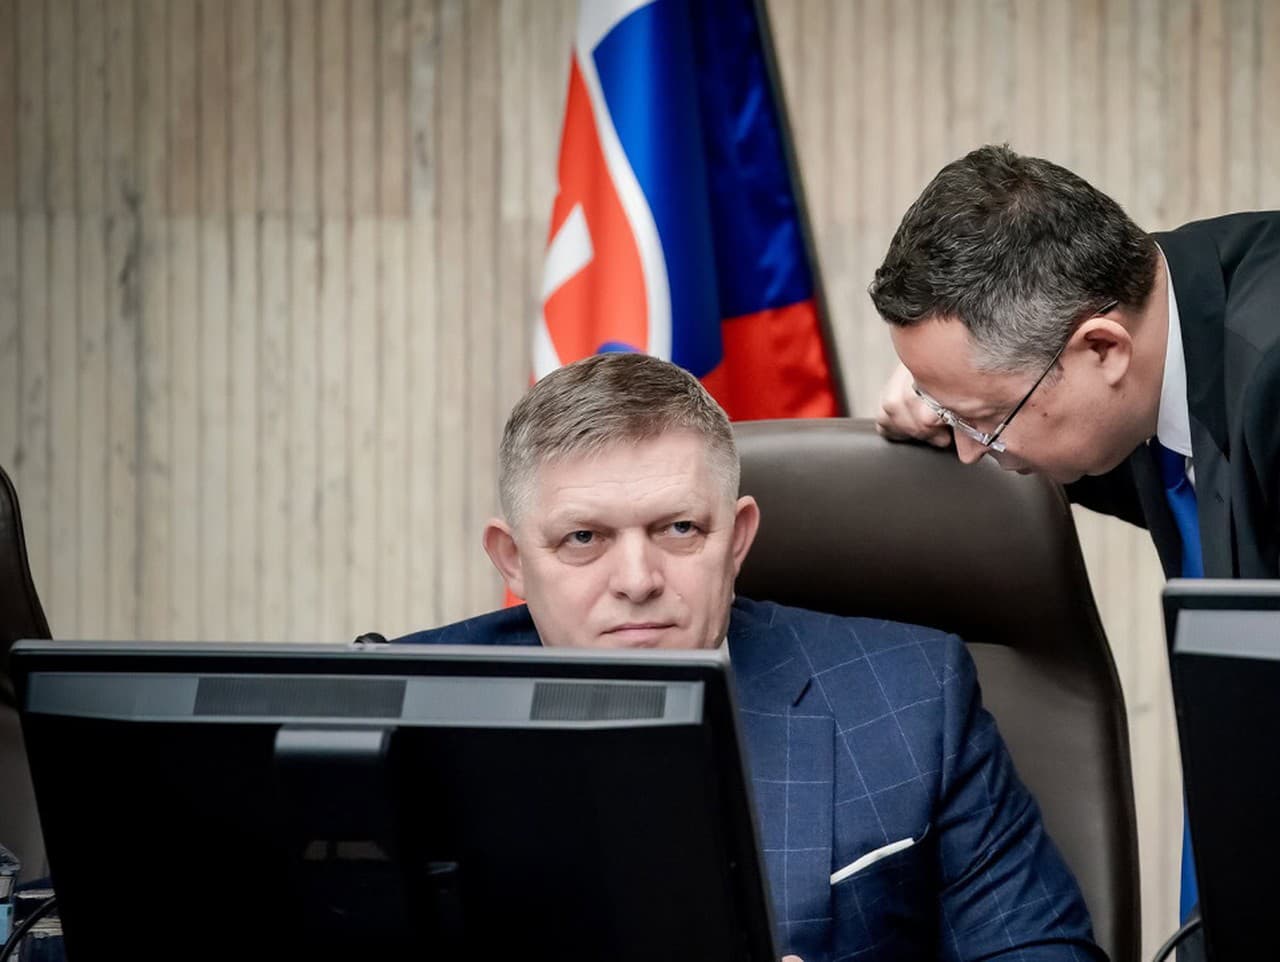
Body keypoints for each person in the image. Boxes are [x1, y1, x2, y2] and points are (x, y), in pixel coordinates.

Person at [397, 351, 1103, 961]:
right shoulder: (400, 715)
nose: (637, 581)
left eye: (678, 528)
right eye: (584, 538)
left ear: (736, 541)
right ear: (512, 560)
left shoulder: (913, 698)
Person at [871, 143, 1280, 582]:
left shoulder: (1269, 374)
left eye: (985, 421)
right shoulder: (1153, 315)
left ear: (1103, 348)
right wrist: (949, 390)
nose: (970, 452)